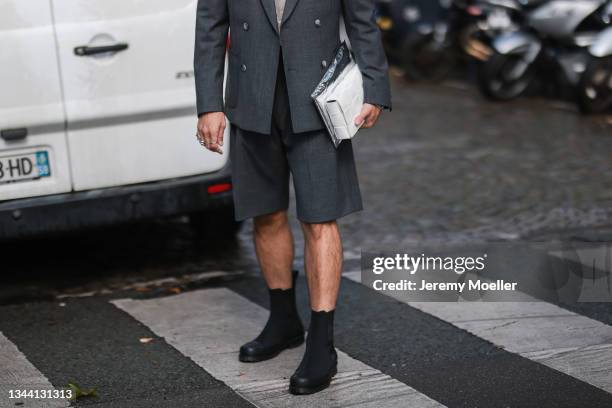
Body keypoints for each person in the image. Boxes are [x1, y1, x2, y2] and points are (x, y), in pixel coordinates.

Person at [194, 0, 391, 395]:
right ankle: (283, 320)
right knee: (264, 214)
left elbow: (362, 19)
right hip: (251, 97)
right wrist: (209, 104)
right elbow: (210, 28)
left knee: (319, 218)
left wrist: (375, 85)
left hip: (319, 99)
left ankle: (322, 341)